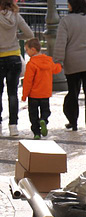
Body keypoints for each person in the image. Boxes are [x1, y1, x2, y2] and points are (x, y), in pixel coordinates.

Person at [53, 0, 86, 133]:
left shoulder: (66, 21)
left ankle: (73, 121)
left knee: (73, 92)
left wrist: (58, 60)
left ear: (72, 5)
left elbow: (61, 42)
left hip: (73, 60)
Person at [0, 0, 33, 137]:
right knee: (13, 93)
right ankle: (13, 126)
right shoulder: (16, 16)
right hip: (14, 57)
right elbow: (29, 34)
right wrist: (16, 36)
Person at [22, 38, 62, 139]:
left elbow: (28, 81)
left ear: (33, 50)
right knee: (46, 111)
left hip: (33, 95)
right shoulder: (48, 61)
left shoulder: (31, 64)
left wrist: (24, 95)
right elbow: (56, 69)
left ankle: (36, 133)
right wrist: (60, 65)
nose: (26, 52)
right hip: (45, 93)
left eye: (27, 50)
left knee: (33, 114)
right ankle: (43, 120)